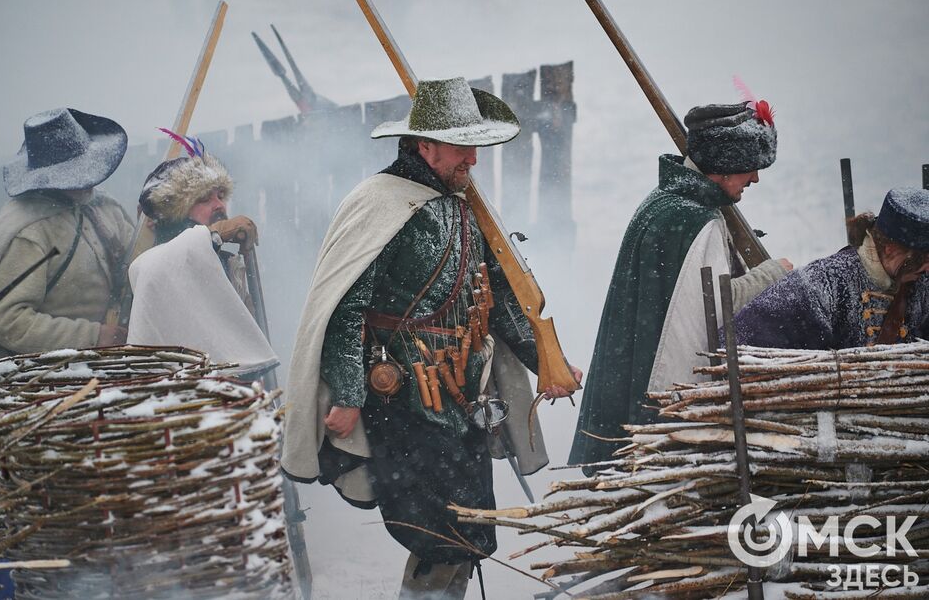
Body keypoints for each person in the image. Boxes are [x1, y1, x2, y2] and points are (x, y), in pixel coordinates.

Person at [281, 77, 582, 599]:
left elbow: (501, 302)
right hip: (402, 401)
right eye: (462, 146)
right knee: (440, 534)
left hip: (462, 399)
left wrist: (547, 363)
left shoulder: (464, 206)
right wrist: (350, 396)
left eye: (474, 146)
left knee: (467, 528)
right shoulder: (379, 202)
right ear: (425, 146)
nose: (473, 159)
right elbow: (345, 307)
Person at [569, 99, 792, 469]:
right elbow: (716, 306)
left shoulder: (665, 204)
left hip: (630, 372)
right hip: (651, 386)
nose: (754, 178)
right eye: (749, 167)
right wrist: (774, 273)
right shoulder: (693, 221)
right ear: (724, 164)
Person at [0, 108, 133, 371]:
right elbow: (8, 321)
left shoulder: (104, 208)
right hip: (47, 381)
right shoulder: (29, 231)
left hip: (114, 369)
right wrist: (93, 337)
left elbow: (140, 265)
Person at [126, 132, 277, 377]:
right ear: (176, 211)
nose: (219, 205)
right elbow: (167, 262)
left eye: (220, 196)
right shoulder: (153, 264)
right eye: (204, 199)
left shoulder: (218, 259)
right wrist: (213, 234)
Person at [732, 187, 929, 348]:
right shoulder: (821, 285)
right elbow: (739, 344)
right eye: (923, 258)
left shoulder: (921, 283)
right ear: (890, 248)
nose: (927, 268)